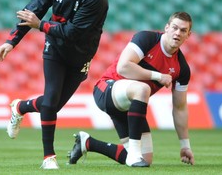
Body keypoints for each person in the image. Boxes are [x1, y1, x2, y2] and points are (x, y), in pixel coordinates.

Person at [0, 0, 108, 170]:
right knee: (51, 99)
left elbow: (74, 33)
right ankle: (48, 158)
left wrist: (40, 25)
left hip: (80, 56)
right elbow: (31, 11)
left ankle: (20, 107)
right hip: (54, 49)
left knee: (52, 106)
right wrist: (11, 41)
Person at [68, 12, 195, 167]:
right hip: (107, 89)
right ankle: (134, 153)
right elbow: (123, 67)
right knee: (142, 89)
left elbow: (180, 108)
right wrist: (158, 76)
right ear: (166, 28)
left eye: (183, 30)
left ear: (188, 35)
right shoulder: (146, 39)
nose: (177, 33)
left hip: (130, 106)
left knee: (145, 160)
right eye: (174, 28)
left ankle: (87, 143)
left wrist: (185, 145)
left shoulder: (182, 68)